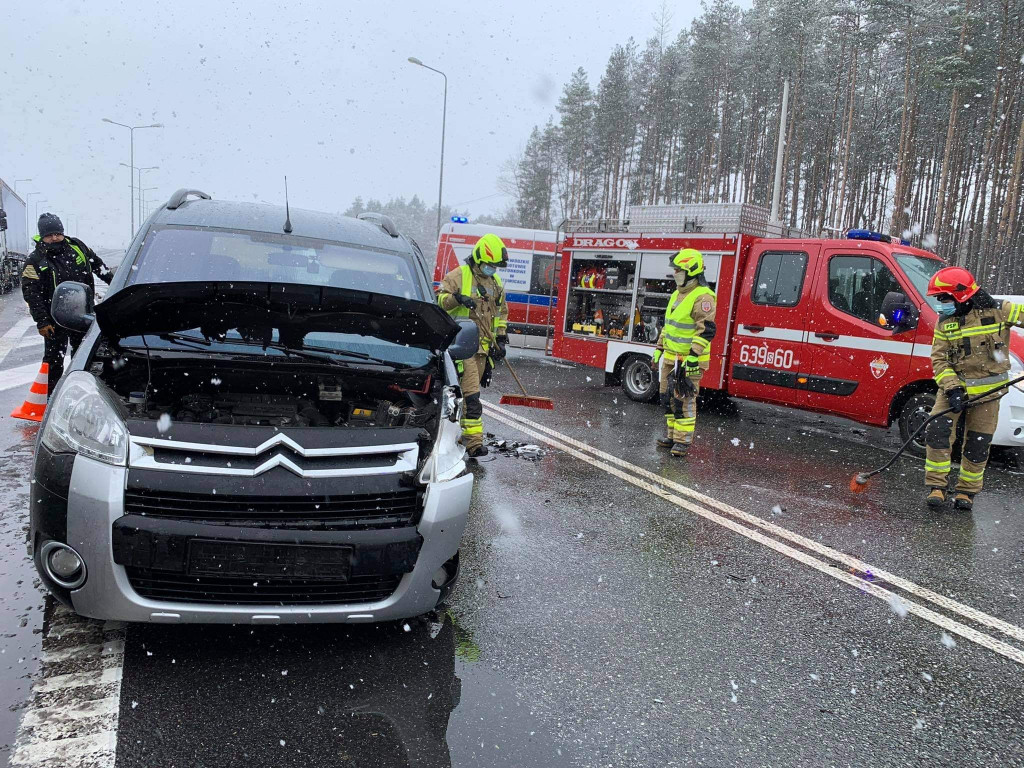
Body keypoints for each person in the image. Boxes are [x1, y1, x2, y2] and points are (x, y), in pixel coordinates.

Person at [924, 266, 1024, 510]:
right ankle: (937, 487)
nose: (940, 304)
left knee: (978, 443)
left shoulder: (1001, 310)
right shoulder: (944, 322)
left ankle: (966, 492)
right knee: (937, 432)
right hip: (953, 390)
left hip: (989, 395)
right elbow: (939, 359)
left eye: (943, 298)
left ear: (961, 295)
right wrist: (952, 389)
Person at [21, 213, 112, 394]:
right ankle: (50, 399)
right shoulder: (35, 260)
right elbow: (31, 293)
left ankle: (82, 394)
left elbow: (100, 268)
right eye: (49, 235)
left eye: (58, 233)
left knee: (85, 357)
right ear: (42, 236)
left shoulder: (77, 247)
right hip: (54, 319)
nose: (55, 238)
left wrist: (117, 284)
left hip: (83, 315)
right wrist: (42, 321)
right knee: (53, 361)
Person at [436, 233, 509, 458]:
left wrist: (501, 338)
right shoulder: (459, 275)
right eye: (489, 264)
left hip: (482, 350)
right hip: (462, 346)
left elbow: (501, 312)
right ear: (478, 259)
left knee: (465, 396)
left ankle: (456, 435)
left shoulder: (495, 283)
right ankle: (474, 443)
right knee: (471, 396)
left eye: (495, 266)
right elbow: (439, 301)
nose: (492, 269)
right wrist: (458, 298)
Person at [652, 249, 716, 457]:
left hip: (688, 361)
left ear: (692, 271)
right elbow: (669, 326)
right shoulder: (677, 294)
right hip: (671, 357)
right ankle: (672, 436)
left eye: (679, 270)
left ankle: (683, 442)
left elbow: (706, 330)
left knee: (684, 401)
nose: (675, 273)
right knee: (666, 398)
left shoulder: (703, 296)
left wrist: (693, 355)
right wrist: (658, 349)